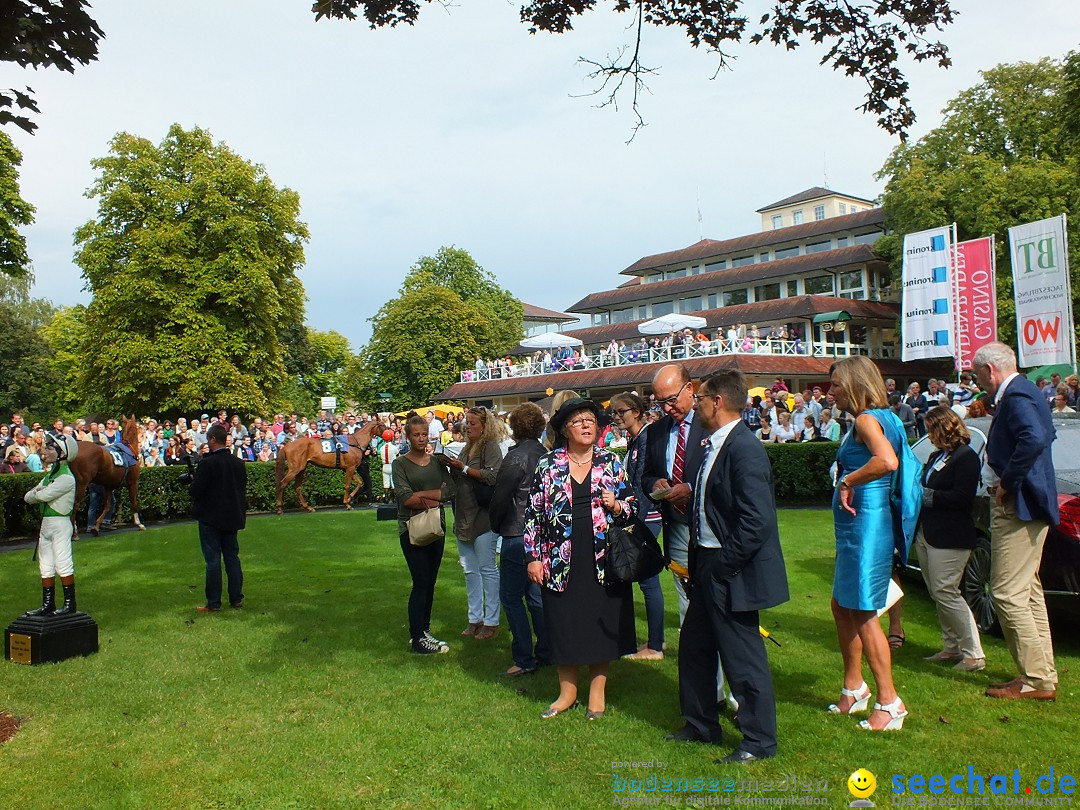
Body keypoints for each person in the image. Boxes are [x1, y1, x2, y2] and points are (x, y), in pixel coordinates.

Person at [666, 371, 789, 762]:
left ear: (717, 401)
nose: (695, 403)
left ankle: (758, 742)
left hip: (729, 566)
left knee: (742, 656)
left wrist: (723, 566)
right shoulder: (715, 444)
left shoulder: (743, 447)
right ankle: (700, 724)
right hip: (707, 562)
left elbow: (758, 520)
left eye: (700, 397)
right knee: (695, 648)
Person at [524, 397, 637, 719]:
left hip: (603, 557)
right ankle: (567, 693)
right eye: (578, 421)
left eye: (591, 420)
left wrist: (617, 505)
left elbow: (633, 507)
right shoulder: (548, 465)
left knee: (600, 623)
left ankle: (597, 694)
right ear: (564, 430)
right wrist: (533, 557)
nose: (587, 425)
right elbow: (532, 514)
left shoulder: (610, 462)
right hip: (559, 559)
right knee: (565, 623)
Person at [828, 355, 911, 731]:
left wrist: (848, 481)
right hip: (859, 526)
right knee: (842, 604)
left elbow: (887, 461)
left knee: (862, 610)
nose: (830, 394)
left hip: (866, 526)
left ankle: (890, 702)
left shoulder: (866, 419)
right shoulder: (885, 417)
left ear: (854, 385)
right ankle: (853, 687)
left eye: (835, 386)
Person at [973, 342, 1058, 701]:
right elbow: (1044, 435)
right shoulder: (1030, 392)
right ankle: (1042, 673)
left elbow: (1035, 438)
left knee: (1007, 593)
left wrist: (1007, 483)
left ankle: (1035, 679)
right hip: (1030, 503)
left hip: (1019, 506)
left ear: (990, 370)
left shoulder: (1017, 395)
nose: (980, 384)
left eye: (978, 377)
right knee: (1027, 591)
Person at [917, 406, 985, 672]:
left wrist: (926, 496)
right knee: (938, 591)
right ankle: (951, 646)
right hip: (929, 531)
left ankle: (973, 653)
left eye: (931, 429)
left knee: (946, 590)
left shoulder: (966, 458)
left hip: (952, 535)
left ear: (942, 428)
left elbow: (962, 497)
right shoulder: (937, 456)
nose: (928, 435)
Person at [642, 364, 708, 623]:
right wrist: (654, 484)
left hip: (708, 526)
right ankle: (692, 654)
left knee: (712, 596)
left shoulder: (711, 422)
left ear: (690, 389)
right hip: (677, 527)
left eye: (671, 399)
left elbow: (725, 474)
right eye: (660, 403)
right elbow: (646, 474)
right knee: (685, 596)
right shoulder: (657, 431)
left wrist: (691, 489)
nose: (667, 408)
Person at [489, 403, 550, 676]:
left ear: (514, 427)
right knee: (536, 597)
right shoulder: (545, 454)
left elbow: (501, 497)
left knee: (511, 597)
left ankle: (524, 657)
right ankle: (547, 650)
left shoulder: (516, 457)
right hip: (542, 534)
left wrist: (495, 524)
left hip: (517, 533)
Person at [393, 415, 456, 654]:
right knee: (420, 581)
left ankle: (424, 630)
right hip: (411, 528)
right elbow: (405, 498)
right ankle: (417, 637)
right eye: (416, 435)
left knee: (430, 581)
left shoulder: (437, 461)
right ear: (407, 436)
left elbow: (452, 491)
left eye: (424, 434)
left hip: (436, 527)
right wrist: (434, 496)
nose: (421, 439)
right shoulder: (400, 464)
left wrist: (422, 496)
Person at [439, 406, 503, 640]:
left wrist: (463, 468)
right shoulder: (466, 448)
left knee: (487, 569)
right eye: (467, 422)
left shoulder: (490, 447)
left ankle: (492, 621)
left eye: (473, 423)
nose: (467, 426)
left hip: (483, 517)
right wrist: (449, 466)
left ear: (485, 427)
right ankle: (475, 618)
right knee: (469, 570)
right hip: (464, 516)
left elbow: (494, 476)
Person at [610, 391, 665, 661]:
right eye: (614, 412)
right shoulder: (636, 440)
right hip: (640, 515)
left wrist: (633, 520)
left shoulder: (645, 438)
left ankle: (655, 645)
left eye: (622, 411)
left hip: (647, 516)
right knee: (645, 580)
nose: (617, 417)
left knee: (647, 579)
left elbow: (642, 481)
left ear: (637, 412)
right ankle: (655, 641)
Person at [188, 424, 246, 613]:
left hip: (210, 517)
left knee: (213, 560)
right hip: (232, 516)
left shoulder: (207, 463)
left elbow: (196, 491)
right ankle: (236, 598)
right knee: (232, 558)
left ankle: (214, 603)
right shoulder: (238, 463)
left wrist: (192, 482)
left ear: (213, 439)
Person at [23, 436, 81, 616]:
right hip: (46, 524)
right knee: (45, 564)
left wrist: (39, 492)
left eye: (50, 449)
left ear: (62, 453)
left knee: (63, 563)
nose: (44, 451)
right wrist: (39, 493)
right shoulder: (51, 475)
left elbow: (41, 496)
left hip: (60, 524)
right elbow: (28, 496)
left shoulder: (66, 478)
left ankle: (69, 603)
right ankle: (48, 604)